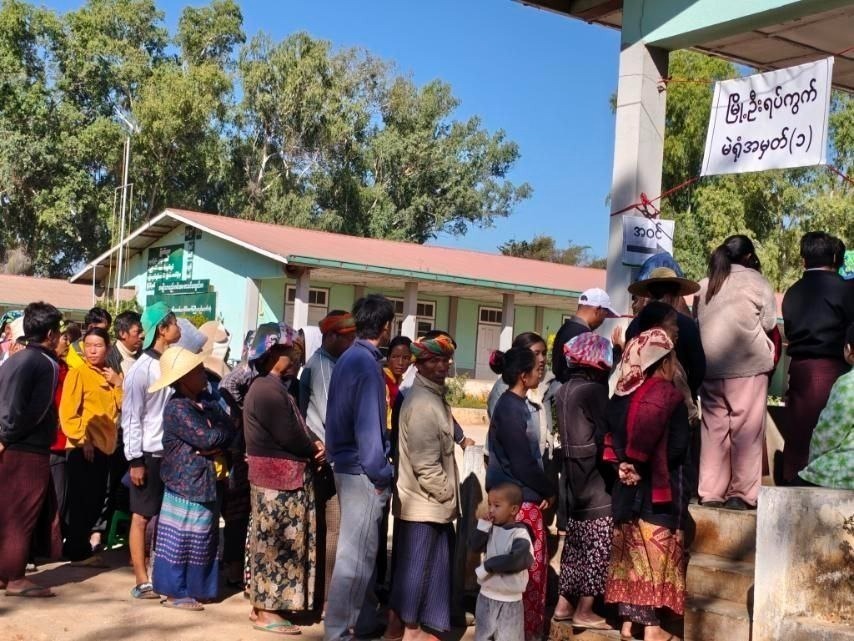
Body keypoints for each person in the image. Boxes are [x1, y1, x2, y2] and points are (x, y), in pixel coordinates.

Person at [603, 328, 691, 641]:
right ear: (664, 362)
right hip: (658, 493)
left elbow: (611, 437)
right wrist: (646, 467)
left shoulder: (621, 395)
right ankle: (654, 630)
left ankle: (629, 624)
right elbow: (678, 445)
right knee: (655, 560)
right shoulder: (667, 397)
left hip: (626, 488)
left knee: (633, 559)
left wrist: (626, 466)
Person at [324, 294, 396, 641]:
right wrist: (382, 475)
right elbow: (369, 430)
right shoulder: (367, 365)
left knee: (361, 556)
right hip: (362, 472)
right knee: (355, 560)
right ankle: (340, 631)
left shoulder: (348, 358)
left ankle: (364, 623)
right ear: (385, 328)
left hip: (345, 465)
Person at [243, 323, 321, 633]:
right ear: (275, 353)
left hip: (280, 480)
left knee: (270, 544)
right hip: (277, 483)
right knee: (274, 547)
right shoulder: (267, 390)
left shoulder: (273, 386)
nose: (297, 357)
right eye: (292, 351)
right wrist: (314, 447)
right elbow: (291, 435)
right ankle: (267, 612)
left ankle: (262, 607)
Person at [149, 345, 235, 610]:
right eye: (198, 371)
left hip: (205, 481)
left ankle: (198, 589)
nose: (203, 375)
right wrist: (216, 441)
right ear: (184, 378)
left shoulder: (206, 404)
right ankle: (175, 592)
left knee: (203, 536)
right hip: (186, 482)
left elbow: (229, 428)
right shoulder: (177, 408)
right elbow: (206, 437)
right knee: (181, 539)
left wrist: (216, 443)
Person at [694, 235, 777, 510]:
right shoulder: (757, 282)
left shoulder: (704, 286)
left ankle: (710, 492)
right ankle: (741, 495)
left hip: (711, 368)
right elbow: (768, 323)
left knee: (714, 430)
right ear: (748, 257)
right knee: (746, 430)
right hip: (748, 367)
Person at [385, 334, 459, 641]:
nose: (441, 366)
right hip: (424, 505)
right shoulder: (423, 404)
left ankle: (407, 630)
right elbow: (425, 466)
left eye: (444, 360)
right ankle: (409, 632)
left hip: (429, 506)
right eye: (434, 360)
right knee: (416, 575)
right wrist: (449, 494)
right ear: (420, 364)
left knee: (423, 573)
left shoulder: (432, 397)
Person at [486, 346, 556, 641]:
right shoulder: (511, 408)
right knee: (525, 576)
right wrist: (549, 489)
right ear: (523, 375)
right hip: (521, 503)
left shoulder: (513, 404)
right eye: (536, 368)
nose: (541, 370)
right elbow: (522, 462)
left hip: (521, 498)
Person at [0, 301, 63, 598]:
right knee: (22, 515)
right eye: (59, 332)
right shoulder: (46, 363)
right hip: (26, 448)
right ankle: (15, 578)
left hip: (10, 444)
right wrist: (8, 434)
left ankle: (4, 574)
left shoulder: (15, 358)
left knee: (7, 511)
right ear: (50, 333)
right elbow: (36, 410)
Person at [552, 333, 614, 631]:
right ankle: (585, 609)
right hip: (595, 478)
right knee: (598, 544)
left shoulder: (564, 390)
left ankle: (564, 603)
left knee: (575, 545)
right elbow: (607, 432)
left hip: (573, 478)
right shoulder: (594, 392)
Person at [781, 232, 854, 483]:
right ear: (835, 257)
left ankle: (791, 485)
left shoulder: (792, 292)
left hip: (799, 369)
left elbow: (789, 331)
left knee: (798, 435)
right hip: (835, 370)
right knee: (833, 433)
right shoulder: (846, 290)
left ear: (804, 260)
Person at [122, 302, 182, 599]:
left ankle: (161, 572)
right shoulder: (141, 370)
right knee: (141, 516)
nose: (180, 329)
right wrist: (135, 460)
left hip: (171, 452)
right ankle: (141, 578)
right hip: (147, 453)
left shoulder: (173, 363)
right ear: (162, 328)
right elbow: (131, 417)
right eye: (175, 323)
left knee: (164, 517)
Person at [299, 310, 356, 612]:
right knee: (333, 529)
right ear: (331, 336)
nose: (353, 341)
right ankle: (327, 600)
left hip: (331, 455)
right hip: (329, 459)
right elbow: (329, 416)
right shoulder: (322, 367)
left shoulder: (335, 364)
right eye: (348, 337)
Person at [59, 327, 123, 566]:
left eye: (98, 345)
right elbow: (68, 412)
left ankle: (81, 546)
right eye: (88, 345)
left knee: (96, 500)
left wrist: (117, 383)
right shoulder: (78, 373)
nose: (92, 350)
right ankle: (76, 550)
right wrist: (81, 439)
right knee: (81, 501)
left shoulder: (110, 373)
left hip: (105, 448)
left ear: (108, 347)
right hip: (82, 447)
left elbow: (122, 408)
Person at [469, 482, 534, 641]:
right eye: (489, 504)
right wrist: (483, 525)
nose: (491, 509)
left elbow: (517, 560)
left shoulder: (520, 533)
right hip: (485, 598)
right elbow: (473, 546)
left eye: (497, 506)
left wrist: (488, 566)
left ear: (513, 510)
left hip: (509, 602)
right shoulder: (490, 528)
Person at [626, 268, 705, 397]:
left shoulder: (635, 325)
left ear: (649, 294)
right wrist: (686, 391)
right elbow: (699, 370)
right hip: (677, 401)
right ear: (675, 296)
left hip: (638, 399)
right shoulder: (687, 325)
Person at [797, 322, 854, 490]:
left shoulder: (848, 384)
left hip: (844, 473)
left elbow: (828, 435)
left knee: (796, 486)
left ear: (849, 350)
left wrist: (814, 463)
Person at [50, 321, 82, 539]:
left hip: (65, 442)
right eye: (64, 338)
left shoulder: (68, 369)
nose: (67, 342)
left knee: (61, 497)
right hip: (49, 443)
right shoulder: (48, 369)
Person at [552, 288, 619, 383]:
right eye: (605, 314)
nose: (603, 320)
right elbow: (599, 371)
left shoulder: (564, 329)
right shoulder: (584, 337)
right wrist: (617, 350)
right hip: (576, 396)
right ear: (598, 310)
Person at [107, 310, 144, 376]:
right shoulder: (108, 359)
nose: (142, 336)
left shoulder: (145, 354)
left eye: (143, 331)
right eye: (138, 332)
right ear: (122, 333)